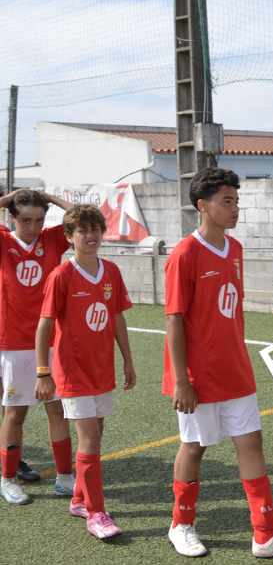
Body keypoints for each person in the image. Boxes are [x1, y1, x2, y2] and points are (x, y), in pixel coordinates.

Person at [163, 167, 273, 558]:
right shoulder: (185, 254)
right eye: (226, 201)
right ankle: (181, 525)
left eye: (236, 201)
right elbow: (174, 320)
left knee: (251, 444)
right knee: (194, 447)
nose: (235, 208)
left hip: (236, 371)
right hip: (197, 376)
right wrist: (182, 379)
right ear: (202, 206)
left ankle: (265, 535)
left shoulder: (235, 250)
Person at [34, 205, 135, 539]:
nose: (91, 236)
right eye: (82, 231)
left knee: (96, 435)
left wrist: (127, 360)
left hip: (101, 368)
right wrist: (43, 372)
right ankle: (96, 513)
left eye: (95, 229)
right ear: (69, 237)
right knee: (90, 438)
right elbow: (44, 325)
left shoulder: (111, 272)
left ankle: (79, 499)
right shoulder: (61, 275)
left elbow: (117, 317)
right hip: (72, 371)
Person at [0, 189, 76, 505]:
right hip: (14, 342)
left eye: (39, 220)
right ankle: (7, 479)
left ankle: (65, 477)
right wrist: (9, 198)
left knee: (57, 408)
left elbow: (81, 216)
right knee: (15, 412)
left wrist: (50, 198)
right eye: (26, 220)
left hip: (51, 340)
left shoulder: (52, 240)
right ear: (12, 219)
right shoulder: (4, 241)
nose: (33, 227)